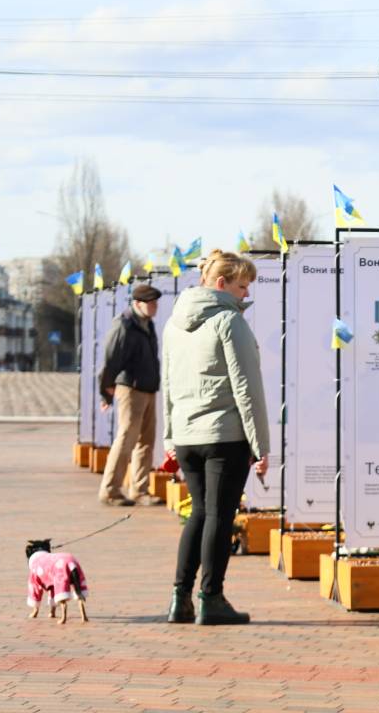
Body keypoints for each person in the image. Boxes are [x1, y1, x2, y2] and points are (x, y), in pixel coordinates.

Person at [163, 250, 269, 626]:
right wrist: (261, 446)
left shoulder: (173, 324)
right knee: (220, 517)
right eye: (242, 286)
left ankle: (180, 598)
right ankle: (211, 597)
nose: (246, 295)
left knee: (199, 514)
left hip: (188, 436)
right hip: (225, 436)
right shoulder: (229, 321)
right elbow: (247, 389)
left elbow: (169, 384)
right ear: (221, 284)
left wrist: (169, 437)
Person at [97, 283, 164, 506]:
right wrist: (105, 394)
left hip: (148, 388)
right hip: (131, 389)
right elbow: (110, 359)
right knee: (126, 439)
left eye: (155, 302)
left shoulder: (147, 324)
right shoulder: (125, 325)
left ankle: (139, 489)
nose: (155, 306)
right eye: (151, 303)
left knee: (146, 441)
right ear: (137, 304)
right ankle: (110, 491)